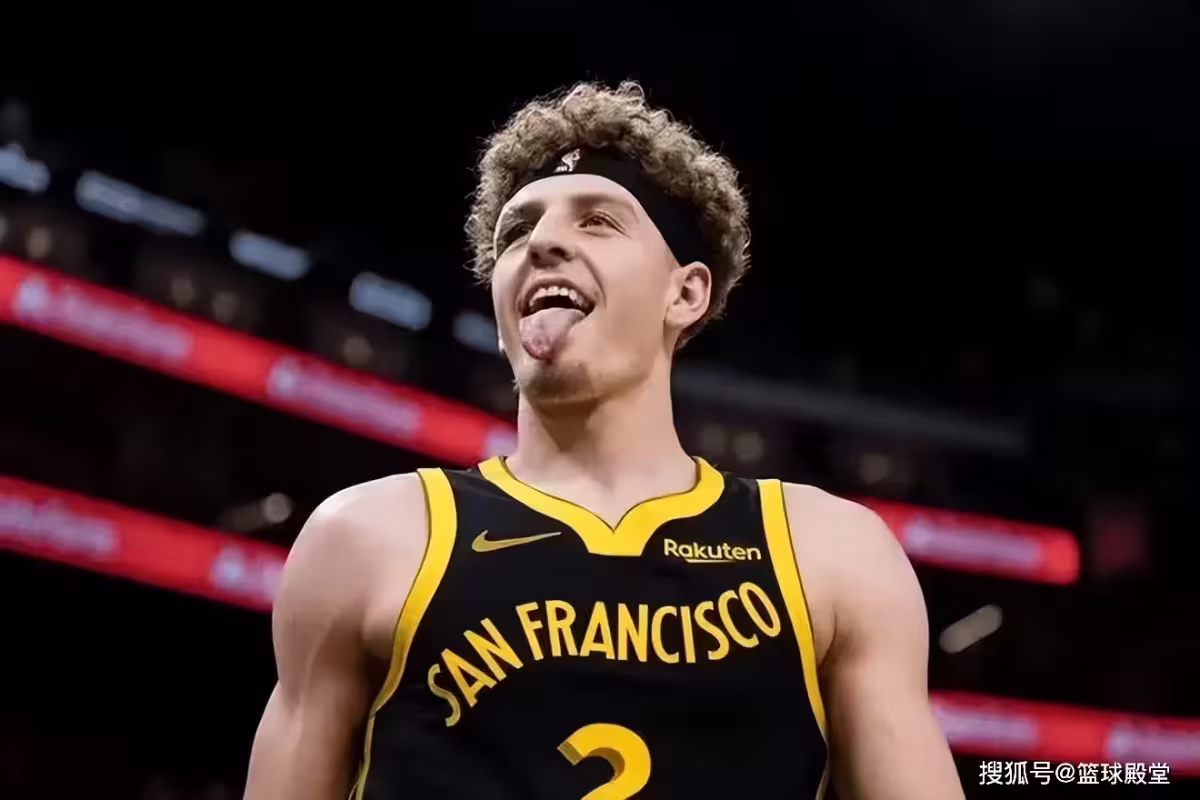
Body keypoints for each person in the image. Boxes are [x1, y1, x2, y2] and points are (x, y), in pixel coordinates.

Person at [244, 81, 964, 800]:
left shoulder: (828, 553)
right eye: (516, 233)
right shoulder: (366, 537)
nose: (542, 243)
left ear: (685, 294)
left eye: (597, 221)